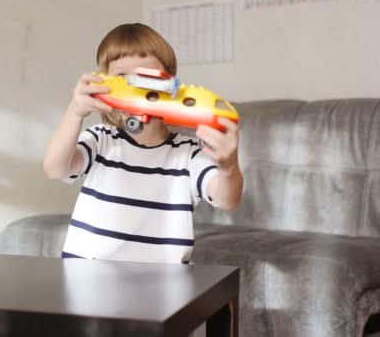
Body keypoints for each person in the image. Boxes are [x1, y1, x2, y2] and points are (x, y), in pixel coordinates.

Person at [43, 23, 243, 264]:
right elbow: (55, 169)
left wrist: (228, 165)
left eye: (146, 75)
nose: (135, 85)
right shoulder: (102, 139)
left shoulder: (189, 154)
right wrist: (75, 112)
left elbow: (227, 199)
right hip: (87, 278)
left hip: (161, 285)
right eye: (122, 77)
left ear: (170, 83)